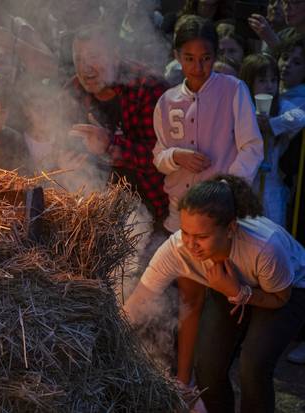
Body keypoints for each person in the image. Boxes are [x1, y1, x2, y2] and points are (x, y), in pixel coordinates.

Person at [124, 174, 305, 413]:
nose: (190, 244)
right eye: (185, 232)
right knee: (207, 366)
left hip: (285, 292)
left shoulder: (264, 248)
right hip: (227, 287)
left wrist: (241, 293)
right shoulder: (177, 249)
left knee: (253, 364)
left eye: (201, 237)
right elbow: (136, 305)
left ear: (230, 228)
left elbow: (280, 297)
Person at [153, 15, 263, 233]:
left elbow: (252, 147)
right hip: (178, 213)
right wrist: (175, 156)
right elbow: (159, 156)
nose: (197, 67)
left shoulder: (233, 90)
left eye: (205, 58)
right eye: (189, 58)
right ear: (177, 56)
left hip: (219, 212)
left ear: (215, 55)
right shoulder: (167, 101)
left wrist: (225, 188)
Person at [65, 24, 170, 228]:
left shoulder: (147, 87)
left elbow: (162, 158)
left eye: (94, 56)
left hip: (152, 209)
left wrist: (109, 145)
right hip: (95, 211)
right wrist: (64, 162)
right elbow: (58, 139)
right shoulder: (73, 91)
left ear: (115, 54)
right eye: (78, 59)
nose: (85, 68)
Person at [239, 53, 288, 226]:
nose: (269, 86)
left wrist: (272, 124)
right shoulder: (240, 108)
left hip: (271, 186)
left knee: (273, 232)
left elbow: (300, 117)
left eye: (273, 80)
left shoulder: (281, 107)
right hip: (247, 184)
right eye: (262, 81)